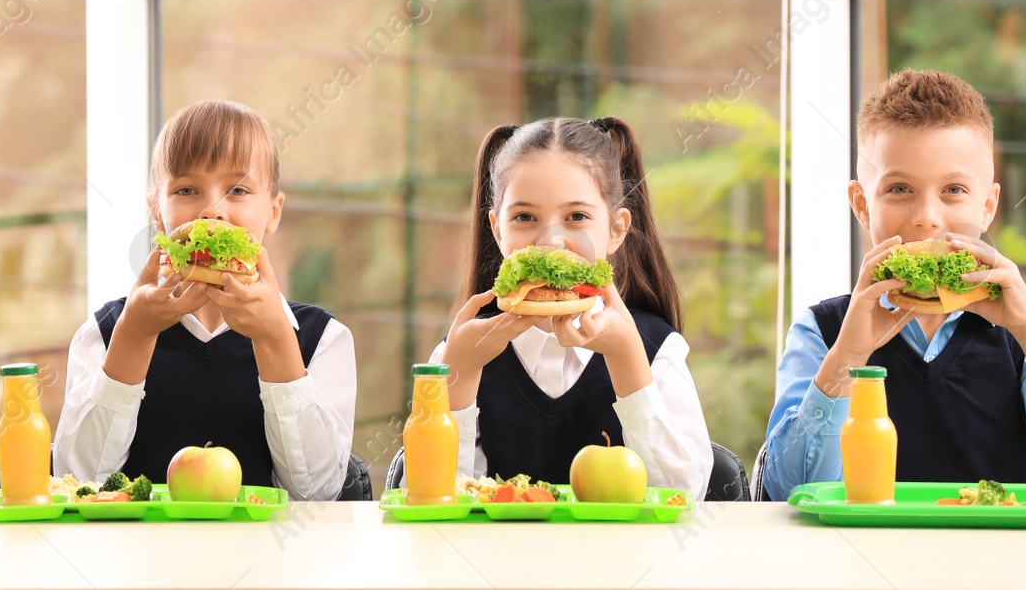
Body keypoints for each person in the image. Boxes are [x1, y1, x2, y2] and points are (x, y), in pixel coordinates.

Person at [761, 69, 1026, 500]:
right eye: (899, 188)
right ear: (862, 205)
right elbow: (789, 491)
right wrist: (849, 353)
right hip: (863, 559)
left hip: (997, 558)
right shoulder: (821, 331)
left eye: (953, 189)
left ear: (987, 206)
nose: (927, 217)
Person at [54, 100, 356, 500]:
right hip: (138, 556)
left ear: (273, 211)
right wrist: (134, 334)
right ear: (157, 214)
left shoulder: (322, 340)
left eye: (238, 190)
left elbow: (316, 494)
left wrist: (274, 339)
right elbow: (79, 481)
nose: (211, 210)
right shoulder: (105, 333)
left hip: (274, 559)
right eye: (186, 190)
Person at [431, 116, 712, 496]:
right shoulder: (460, 349)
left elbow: (684, 494)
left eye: (576, 217)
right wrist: (460, 376)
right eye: (525, 217)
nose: (552, 241)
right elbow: (430, 498)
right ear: (498, 231)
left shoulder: (657, 349)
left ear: (616, 230)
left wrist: (627, 357)